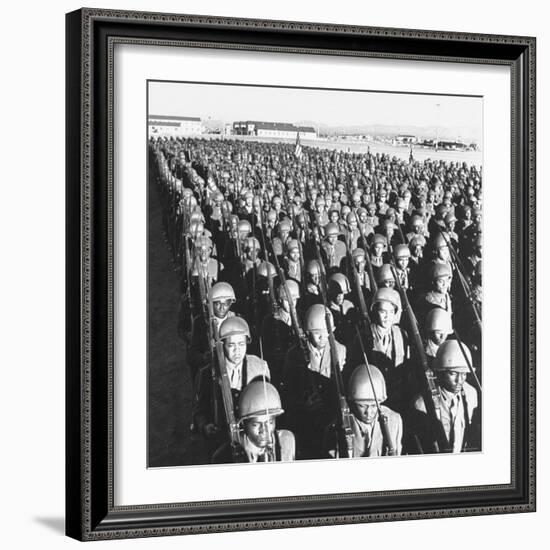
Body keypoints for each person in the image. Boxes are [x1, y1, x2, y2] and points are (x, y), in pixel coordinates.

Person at [193, 317, 270, 456]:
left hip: (254, 438)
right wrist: (205, 426)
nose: (237, 351)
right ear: (222, 346)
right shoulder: (208, 374)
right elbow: (199, 412)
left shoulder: (260, 367)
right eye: (231, 345)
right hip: (223, 439)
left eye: (241, 344)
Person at [283, 304, 347, 459]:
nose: (322, 337)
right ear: (307, 332)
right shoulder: (294, 355)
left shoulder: (340, 350)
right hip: (306, 418)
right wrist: (302, 403)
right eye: (317, 333)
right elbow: (288, 391)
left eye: (327, 332)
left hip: (332, 413)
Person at [410, 340, 480, 453]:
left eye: (464, 374)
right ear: (441, 372)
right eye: (453, 373)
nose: (459, 381)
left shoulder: (471, 394)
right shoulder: (422, 403)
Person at [324, 364, 402, 457]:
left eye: (373, 406)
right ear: (353, 403)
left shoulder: (394, 421)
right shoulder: (338, 427)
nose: (368, 413)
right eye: (362, 406)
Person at [211, 380, 296, 463]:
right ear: (244, 424)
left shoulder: (286, 442)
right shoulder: (225, 455)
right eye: (256, 424)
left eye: (270, 422)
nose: (264, 430)